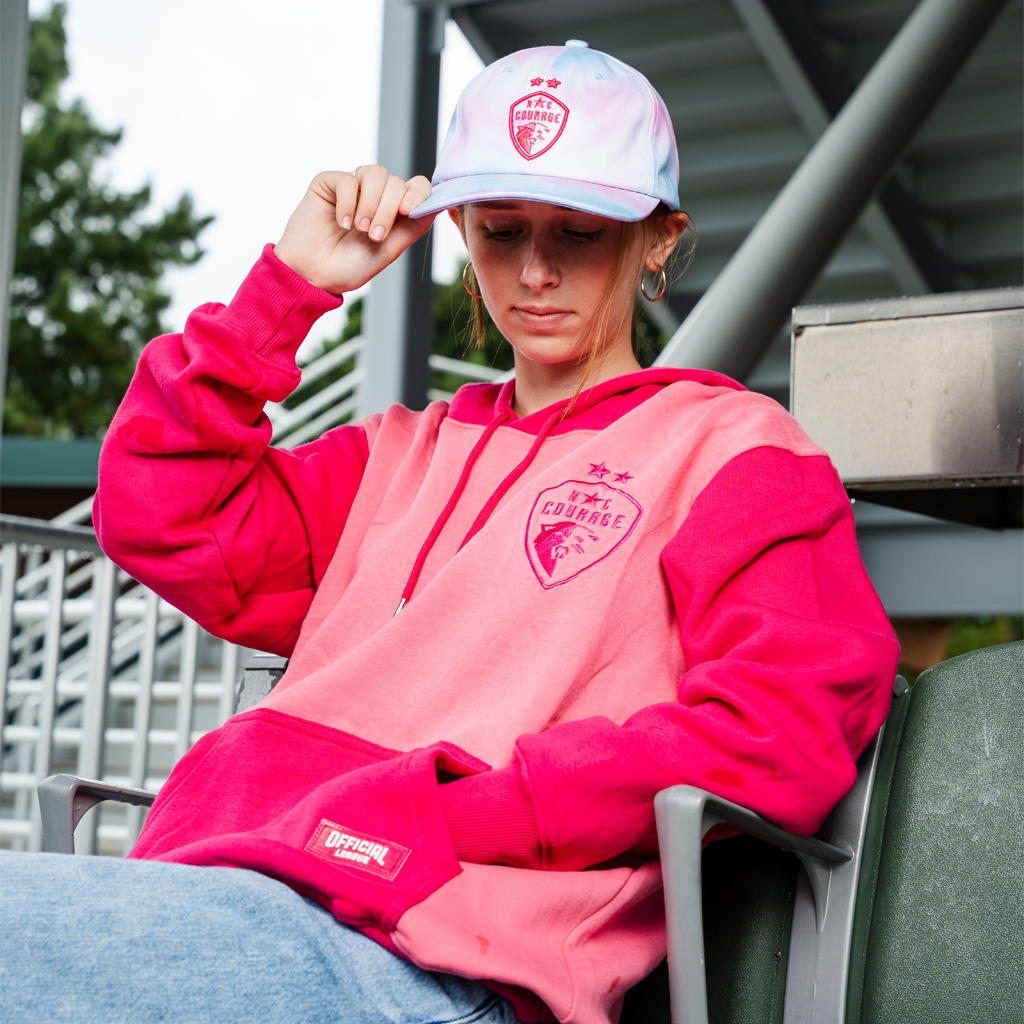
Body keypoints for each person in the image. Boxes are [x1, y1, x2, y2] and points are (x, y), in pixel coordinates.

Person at [1, 40, 899, 1024]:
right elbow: (158, 513)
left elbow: (776, 733)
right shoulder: (393, 453)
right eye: (502, 230)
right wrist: (290, 285)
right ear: (461, 229)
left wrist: (444, 812)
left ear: (656, 239)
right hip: (224, 889)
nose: (536, 268)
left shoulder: (731, 449)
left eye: (582, 231)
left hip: (434, 961)